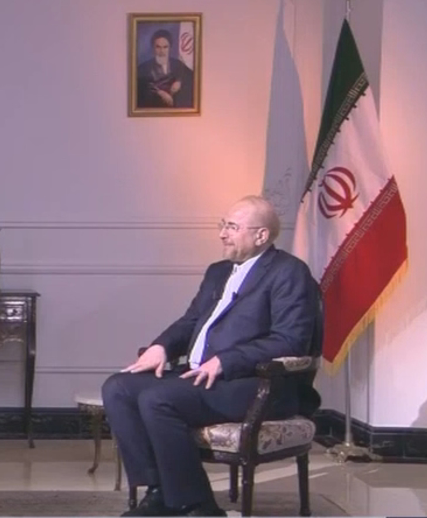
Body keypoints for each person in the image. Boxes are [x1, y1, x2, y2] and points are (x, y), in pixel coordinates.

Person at [101, 195, 321, 516]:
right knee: (118, 388)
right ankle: (160, 491)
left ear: (261, 235)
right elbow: (191, 321)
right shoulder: (218, 272)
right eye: (223, 225)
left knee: (158, 399)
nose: (222, 233)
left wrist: (227, 359)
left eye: (232, 227)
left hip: (254, 382)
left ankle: (198, 505)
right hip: (201, 376)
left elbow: (290, 340)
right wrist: (161, 346)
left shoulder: (289, 272)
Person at [135, 29, 194, 109]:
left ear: (170, 48)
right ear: (153, 48)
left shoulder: (178, 64)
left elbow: (191, 78)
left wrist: (179, 81)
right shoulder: (143, 68)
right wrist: (159, 93)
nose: (162, 51)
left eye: (165, 47)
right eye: (158, 47)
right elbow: (142, 88)